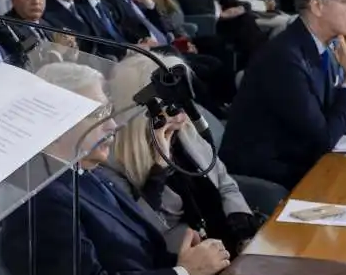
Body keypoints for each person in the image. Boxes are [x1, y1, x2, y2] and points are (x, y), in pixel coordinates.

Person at [0, 62, 242, 275]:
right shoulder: (44, 200)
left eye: (110, 112)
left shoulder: (89, 173)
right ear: (55, 122)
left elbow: (136, 240)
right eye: (97, 114)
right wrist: (186, 274)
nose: (112, 125)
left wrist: (184, 262)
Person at [219, 0, 346, 190]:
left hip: (303, 163)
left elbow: (334, 119)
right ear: (318, 6)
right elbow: (323, 140)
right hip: (269, 180)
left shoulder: (321, 46)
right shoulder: (284, 58)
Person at [107, 53, 266, 255]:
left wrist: (242, 229)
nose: (182, 116)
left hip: (229, 244)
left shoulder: (186, 133)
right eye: (171, 107)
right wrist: (158, 172)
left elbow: (225, 183)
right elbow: (135, 232)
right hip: (187, 261)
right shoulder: (112, 163)